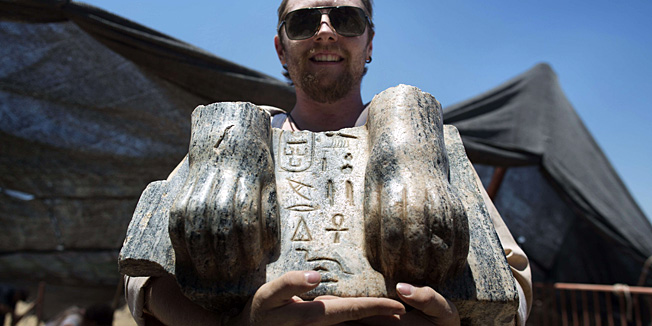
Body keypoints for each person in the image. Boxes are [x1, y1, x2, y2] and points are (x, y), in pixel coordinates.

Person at [126, 0, 532, 325]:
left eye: (346, 18)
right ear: (281, 47)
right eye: (302, 22)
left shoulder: (429, 142)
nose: (325, 30)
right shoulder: (233, 138)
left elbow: (513, 288)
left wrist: (451, 322)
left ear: (369, 42)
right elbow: (143, 281)